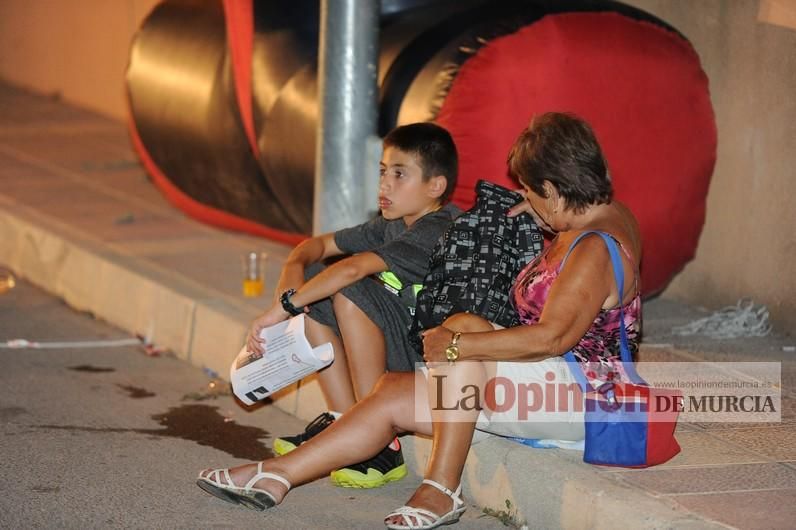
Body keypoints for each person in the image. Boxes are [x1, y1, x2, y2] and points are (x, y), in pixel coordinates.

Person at [198, 112, 642, 529]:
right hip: (539, 382)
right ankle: (276, 476)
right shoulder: (604, 214)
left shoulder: (592, 250)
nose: (524, 197)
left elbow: (551, 338)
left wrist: (456, 348)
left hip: (580, 399)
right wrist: (543, 210)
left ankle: (442, 488)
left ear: (555, 188)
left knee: (465, 329)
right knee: (391, 390)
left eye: (530, 190)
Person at [246, 122, 461, 488]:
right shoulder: (391, 223)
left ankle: (380, 442)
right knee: (317, 277)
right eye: (382, 172)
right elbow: (317, 246)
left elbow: (354, 268)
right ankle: (346, 420)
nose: (384, 184)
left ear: (435, 187)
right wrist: (292, 270)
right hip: (402, 348)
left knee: (349, 289)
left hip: (431, 363)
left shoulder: (439, 229)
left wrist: (286, 306)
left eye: (399, 174)